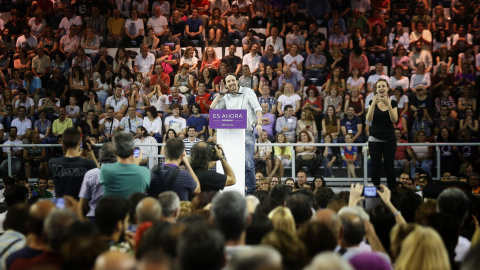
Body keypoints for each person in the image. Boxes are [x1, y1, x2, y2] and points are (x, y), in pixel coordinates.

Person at [210, 73, 262, 195]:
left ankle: (250, 191)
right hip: (230, 134)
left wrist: (259, 123)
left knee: (248, 163)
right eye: (228, 82)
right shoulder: (226, 97)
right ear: (226, 84)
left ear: (237, 81)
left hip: (247, 133)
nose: (231, 83)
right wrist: (221, 94)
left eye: (232, 80)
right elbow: (213, 108)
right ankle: (231, 188)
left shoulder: (248, 91)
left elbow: (257, 108)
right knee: (231, 162)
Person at [366, 78, 398, 189]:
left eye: (383, 86)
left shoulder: (393, 102)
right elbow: (368, 119)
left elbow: (394, 120)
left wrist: (389, 106)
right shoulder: (372, 102)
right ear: (376, 89)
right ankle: (375, 191)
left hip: (389, 139)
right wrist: (373, 104)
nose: (381, 88)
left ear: (387, 88)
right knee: (376, 166)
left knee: (389, 166)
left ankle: (393, 192)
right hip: (375, 138)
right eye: (379, 86)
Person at [48, 127, 97, 200]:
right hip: (80, 208)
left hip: (62, 208)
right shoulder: (88, 164)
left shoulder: (53, 163)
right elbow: (99, 177)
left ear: (63, 143)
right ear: (79, 142)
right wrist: (91, 153)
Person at [100, 132, 150, 199]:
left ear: (114, 151)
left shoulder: (105, 170)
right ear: (133, 151)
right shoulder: (145, 172)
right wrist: (136, 164)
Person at [78, 142, 117, 222]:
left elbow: (83, 203)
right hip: (114, 219)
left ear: (101, 155)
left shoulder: (90, 174)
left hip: (93, 217)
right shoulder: (122, 174)